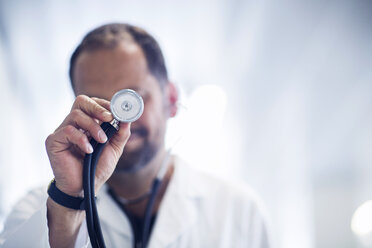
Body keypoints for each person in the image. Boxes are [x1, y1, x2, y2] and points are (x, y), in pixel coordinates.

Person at [0, 23, 270, 248]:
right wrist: (71, 201)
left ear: (172, 99)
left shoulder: (239, 210)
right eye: (98, 103)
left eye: (133, 98)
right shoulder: (37, 210)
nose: (117, 118)